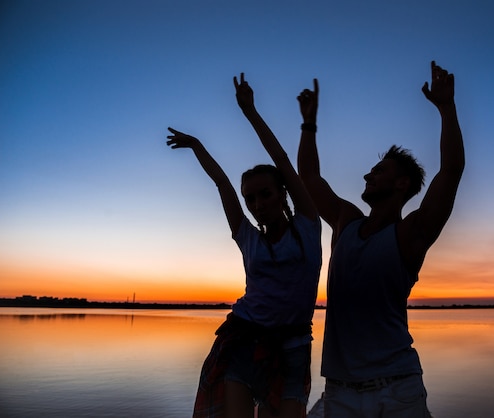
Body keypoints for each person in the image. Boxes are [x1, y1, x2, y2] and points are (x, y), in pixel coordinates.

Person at [297, 61, 465, 417]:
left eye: (379, 171)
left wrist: (446, 108)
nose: (367, 174)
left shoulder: (411, 235)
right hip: (339, 392)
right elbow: (309, 176)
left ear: (402, 184)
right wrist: (308, 123)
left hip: (397, 391)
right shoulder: (345, 222)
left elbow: (450, 172)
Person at [167, 73, 322, 418]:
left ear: (282, 193)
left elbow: (282, 160)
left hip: (294, 344)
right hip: (244, 338)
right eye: (250, 198)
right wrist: (197, 146)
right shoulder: (247, 237)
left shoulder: (307, 227)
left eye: (265, 194)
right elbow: (223, 183)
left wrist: (250, 112)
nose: (257, 204)